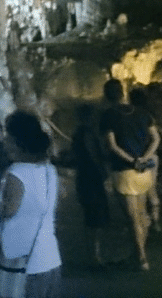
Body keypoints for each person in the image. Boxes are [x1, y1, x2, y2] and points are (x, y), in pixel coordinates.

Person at [0, 111, 62, 298]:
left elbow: (10, 210)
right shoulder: (50, 170)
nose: (4, 141)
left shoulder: (16, 173)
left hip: (21, 262)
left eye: (7, 136)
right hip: (50, 257)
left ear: (17, 143)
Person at [100, 78, 159, 271]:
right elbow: (155, 138)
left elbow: (112, 145)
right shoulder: (142, 113)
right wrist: (143, 159)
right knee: (141, 215)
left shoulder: (108, 115)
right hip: (143, 172)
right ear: (123, 92)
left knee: (133, 218)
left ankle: (141, 258)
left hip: (124, 172)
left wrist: (132, 161)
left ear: (106, 96)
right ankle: (137, 255)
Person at [70, 104, 109, 267]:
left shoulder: (79, 133)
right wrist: (103, 173)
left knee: (92, 218)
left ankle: (94, 255)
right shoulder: (87, 134)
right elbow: (93, 156)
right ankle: (95, 257)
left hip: (84, 178)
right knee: (95, 218)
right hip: (92, 179)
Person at [128, 86, 160, 231]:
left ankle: (142, 221)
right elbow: (155, 138)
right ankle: (155, 220)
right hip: (151, 155)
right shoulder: (149, 115)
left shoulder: (131, 116)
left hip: (136, 156)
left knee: (138, 191)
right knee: (151, 188)